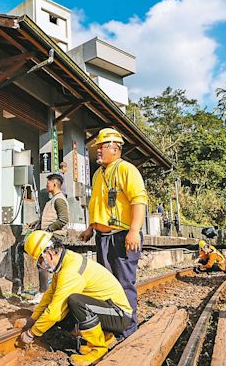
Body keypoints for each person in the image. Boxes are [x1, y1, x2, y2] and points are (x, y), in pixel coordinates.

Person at [16, 230, 133, 365]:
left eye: (40, 260)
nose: (40, 265)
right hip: (108, 309)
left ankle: (98, 349)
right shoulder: (65, 262)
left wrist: (31, 333)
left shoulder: (70, 271)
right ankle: (105, 337)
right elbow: (50, 295)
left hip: (119, 315)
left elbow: (54, 313)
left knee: (74, 302)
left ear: (48, 252)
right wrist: (32, 319)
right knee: (62, 305)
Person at [79, 128, 147, 339]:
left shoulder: (127, 170)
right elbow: (98, 204)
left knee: (124, 284)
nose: (98, 151)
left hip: (122, 236)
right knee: (107, 285)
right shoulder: (99, 173)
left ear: (115, 148)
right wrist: (92, 227)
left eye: (101, 147)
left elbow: (139, 200)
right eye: (97, 147)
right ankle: (112, 326)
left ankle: (128, 331)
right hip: (103, 238)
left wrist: (134, 231)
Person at [28, 173, 69, 304]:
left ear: (55, 184)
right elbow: (48, 218)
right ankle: (49, 294)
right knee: (49, 265)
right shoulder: (53, 200)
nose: (47, 185)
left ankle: (43, 294)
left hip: (53, 237)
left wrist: (49, 230)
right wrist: (36, 223)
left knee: (43, 264)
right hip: (48, 235)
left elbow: (63, 219)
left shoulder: (59, 199)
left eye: (48, 183)